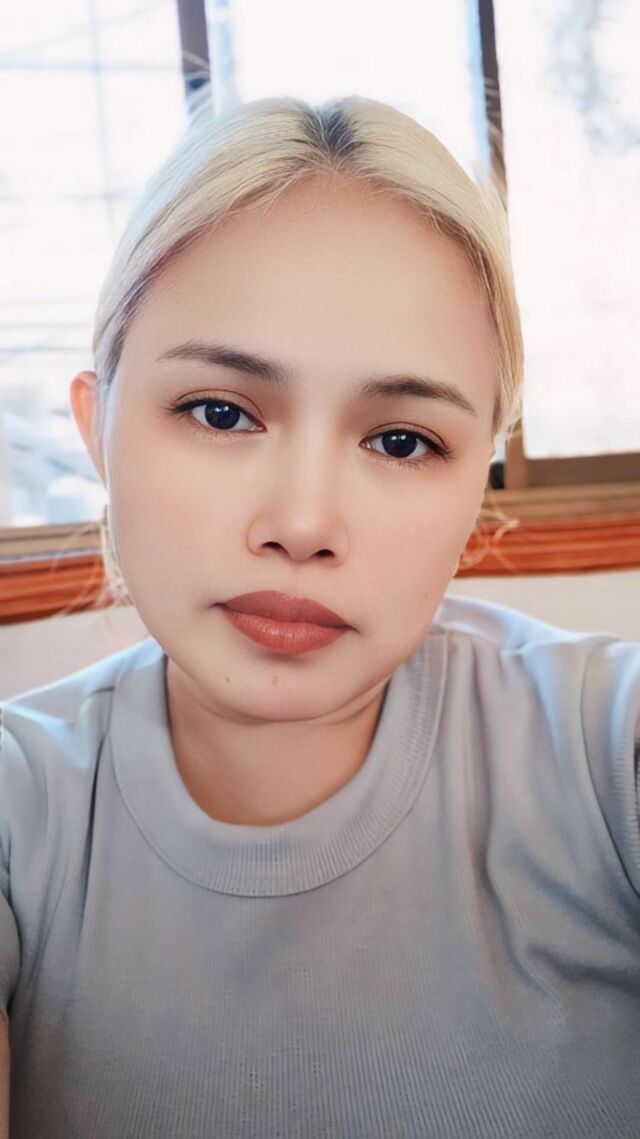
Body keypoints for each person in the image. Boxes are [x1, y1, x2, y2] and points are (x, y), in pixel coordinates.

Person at [1, 90, 639, 1139]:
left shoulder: (603, 746)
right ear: (97, 427)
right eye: (221, 412)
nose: (302, 524)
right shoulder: (21, 807)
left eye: (401, 441)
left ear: (476, 478)